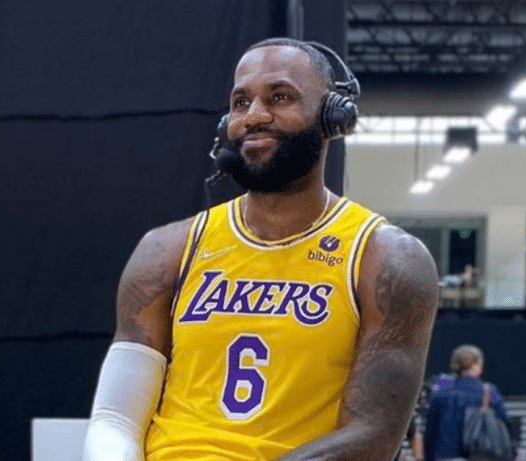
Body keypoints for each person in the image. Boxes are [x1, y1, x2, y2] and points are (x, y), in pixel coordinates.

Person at [82, 37, 439, 461]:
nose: (254, 116)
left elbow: (373, 438)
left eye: (280, 97)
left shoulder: (386, 259)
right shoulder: (166, 250)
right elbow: (115, 419)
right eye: (240, 102)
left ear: (331, 115)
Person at [424, 345, 509, 461]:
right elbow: (503, 423)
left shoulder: (440, 391)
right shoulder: (488, 391)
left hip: (443, 456)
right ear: (477, 364)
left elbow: (430, 431)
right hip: (478, 456)